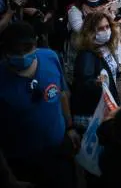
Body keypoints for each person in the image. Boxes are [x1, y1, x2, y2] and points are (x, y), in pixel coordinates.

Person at [0, 22, 78, 188]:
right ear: (5, 51)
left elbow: (62, 93)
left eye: (27, 47)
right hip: (22, 162)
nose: (22, 54)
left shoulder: (50, 57)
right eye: (15, 50)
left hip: (58, 151)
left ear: (36, 42)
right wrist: (8, 178)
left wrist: (70, 127)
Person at [70, 12, 121, 131]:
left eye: (107, 26)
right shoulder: (86, 54)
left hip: (105, 107)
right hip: (93, 113)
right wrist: (96, 83)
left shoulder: (106, 47)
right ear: (90, 32)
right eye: (101, 28)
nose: (106, 31)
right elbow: (84, 84)